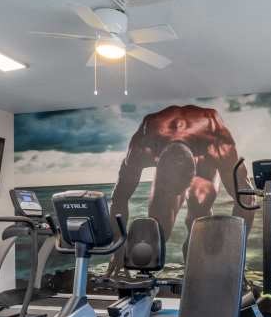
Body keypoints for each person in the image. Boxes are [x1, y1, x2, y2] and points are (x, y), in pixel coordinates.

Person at [107, 104, 254, 273]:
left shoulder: (217, 144)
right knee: (159, 229)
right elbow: (119, 197)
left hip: (205, 159)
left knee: (199, 224)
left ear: (192, 175)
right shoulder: (143, 146)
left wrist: (234, 251)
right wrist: (117, 244)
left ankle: (195, 264)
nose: (179, 195)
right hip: (173, 157)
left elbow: (247, 198)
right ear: (157, 162)